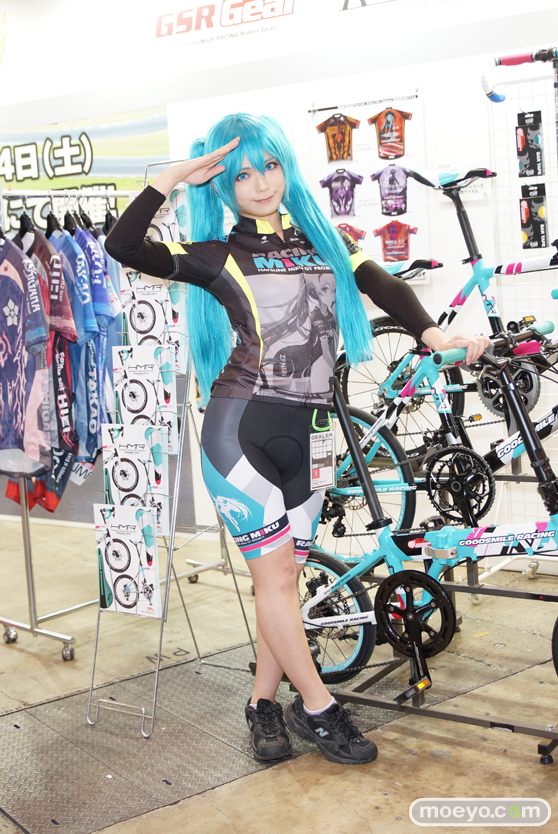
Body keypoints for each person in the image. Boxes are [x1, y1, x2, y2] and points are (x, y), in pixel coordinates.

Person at [106, 113, 490, 766]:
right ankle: (317, 707)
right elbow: (124, 244)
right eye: (241, 174)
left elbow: (384, 285)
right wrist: (171, 178)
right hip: (240, 435)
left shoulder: (323, 240)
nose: (260, 182)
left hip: (313, 435)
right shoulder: (217, 254)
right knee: (279, 577)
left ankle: (262, 703)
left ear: (286, 165)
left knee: (281, 581)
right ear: (222, 186)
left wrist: (432, 333)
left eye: (269, 165)